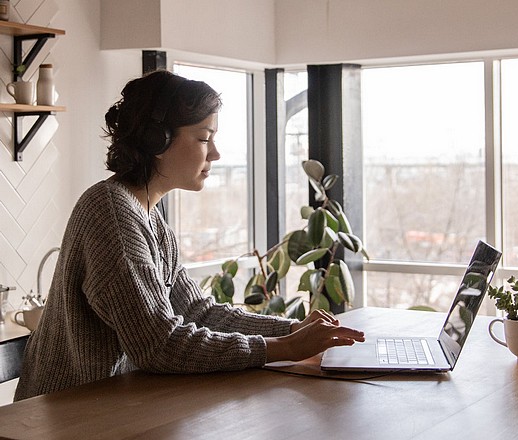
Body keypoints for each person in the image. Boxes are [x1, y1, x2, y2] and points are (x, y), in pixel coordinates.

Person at [14, 70, 364, 401]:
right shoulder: (112, 214)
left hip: (112, 406)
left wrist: (291, 330)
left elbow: (197, 312)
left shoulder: (149, 218)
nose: (215, 153)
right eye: (204, 138)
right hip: (63, 418)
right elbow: (158, 345)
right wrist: (284, 348)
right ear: (157, 141)